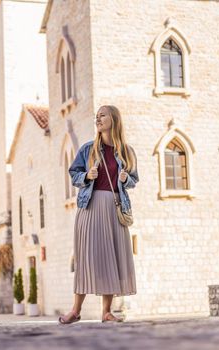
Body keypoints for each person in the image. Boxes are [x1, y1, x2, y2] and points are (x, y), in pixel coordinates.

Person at [58, 105, 139, 324]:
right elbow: (73, 173)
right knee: (85, 258)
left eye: (103, 115)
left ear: (114, 119)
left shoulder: (126, 152)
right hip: (90, 207)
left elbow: (134, 179)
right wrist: (86, 175)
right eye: (97, 116)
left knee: (110, 258)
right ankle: (75, 310)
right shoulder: (88, 149)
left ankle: (106, 312)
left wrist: (125, 179)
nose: (98, 118)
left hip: (114, 208)